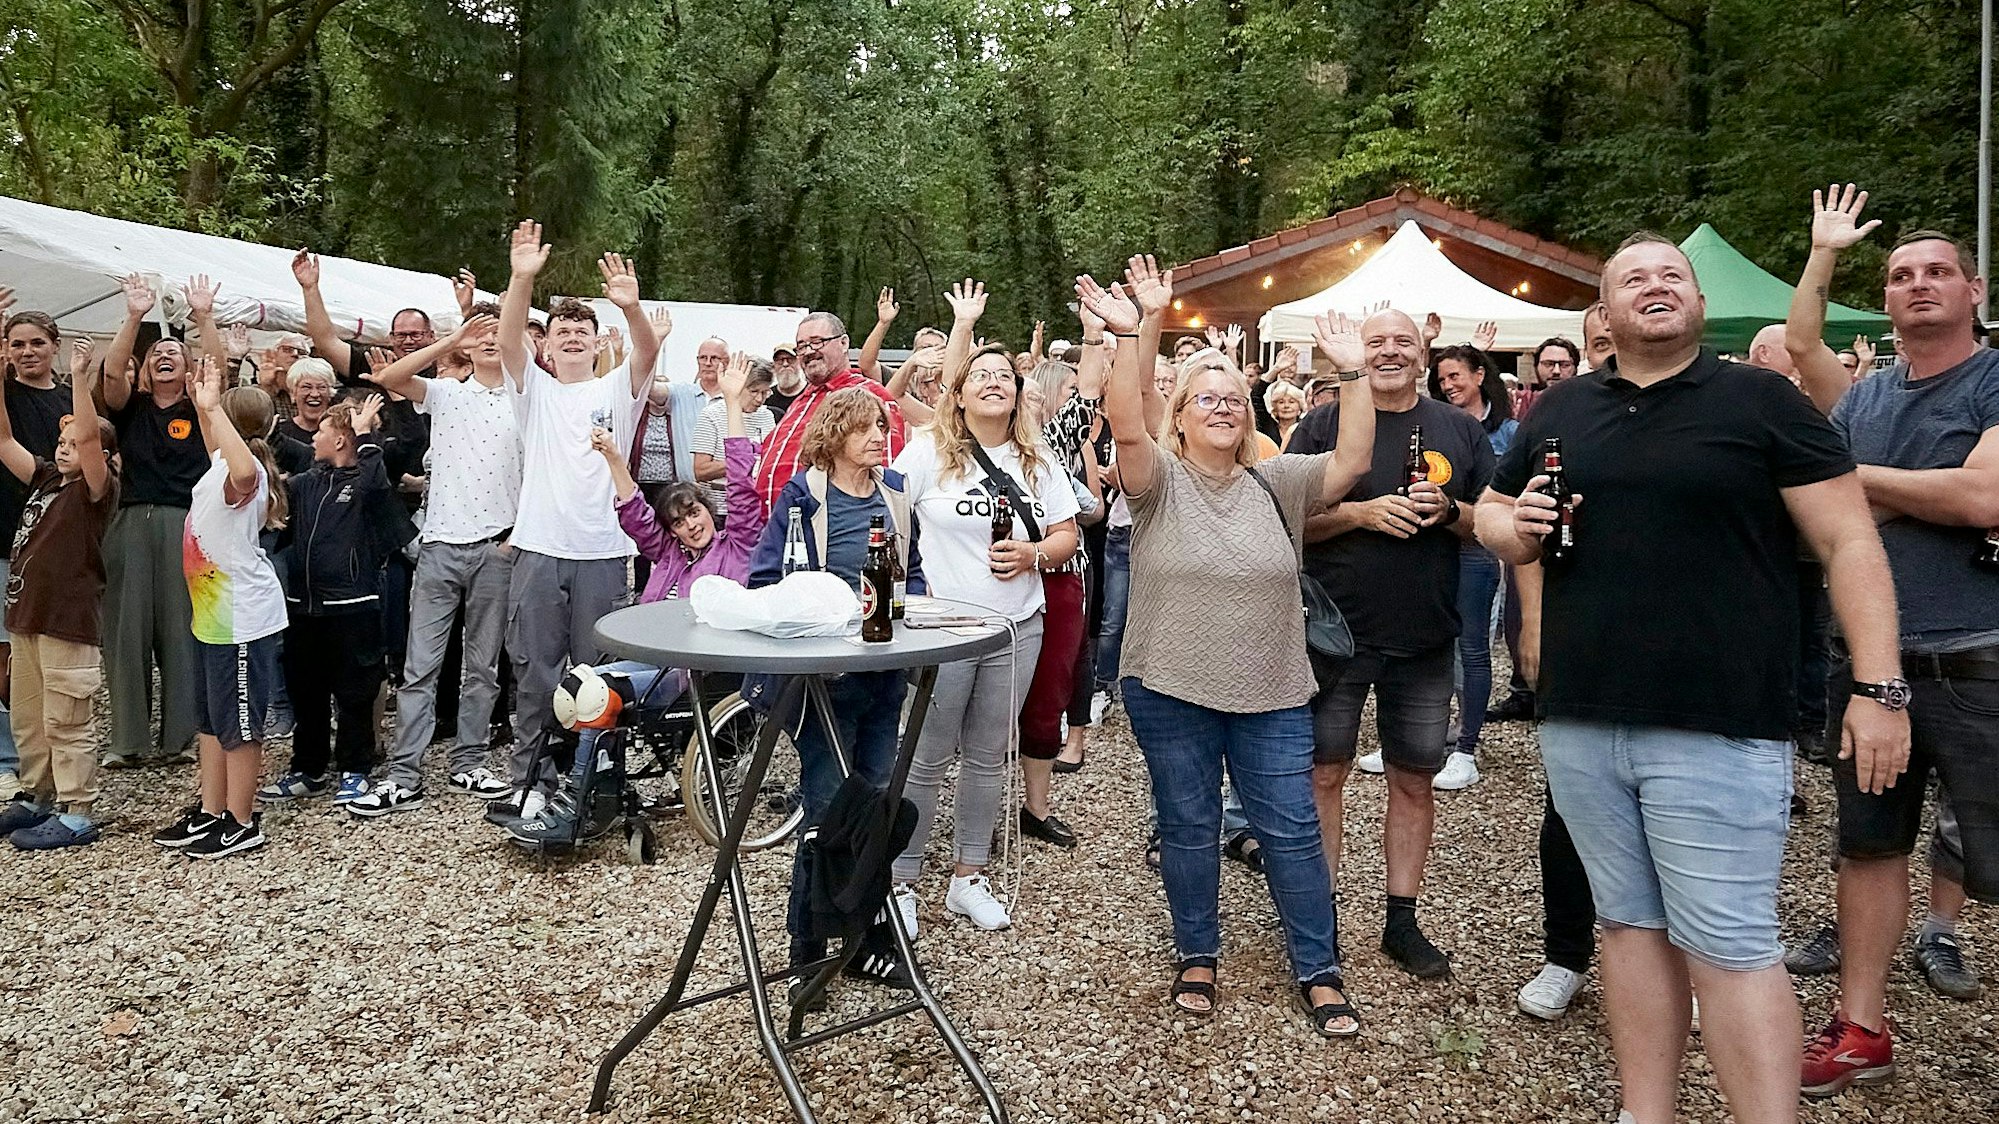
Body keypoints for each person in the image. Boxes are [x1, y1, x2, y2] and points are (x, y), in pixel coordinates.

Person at [1474, 232, 1906, 1124]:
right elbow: (1489, 505)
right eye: (1634, 278)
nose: (1656, 286)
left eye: (1673, 274)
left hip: (1719, 720)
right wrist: (1504, 528)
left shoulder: (1762, 403)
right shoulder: (1561, 410)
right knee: (1627, 928)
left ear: (1699, 304)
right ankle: (1647, 1112)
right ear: (1604, 312)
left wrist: (1878, 686)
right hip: (1581, 714)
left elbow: (1849, 540)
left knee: (1731, 945)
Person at [1078, 255, 1375, 1035]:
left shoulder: (1273, 482)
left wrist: (1351, 376)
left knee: (1291, 828)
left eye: (1233, 399)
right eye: (1204, 398)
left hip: (1273, 689)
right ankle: (1196, 954)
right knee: (1185, 824)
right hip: (1168, 685)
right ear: (1179, 415)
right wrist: (1138, 326)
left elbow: (1349, 464)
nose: (1221, 408)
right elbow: (1125, 421)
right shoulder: (1157, 483)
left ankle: (1318, 967)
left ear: (1249, 417)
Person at [1783, 199, 1999, 1095]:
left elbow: (1985, 499)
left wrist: (1849, 479)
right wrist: (1820, 255)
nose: (1917, 284)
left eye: (1936, 270)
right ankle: (1860, 1029)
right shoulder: (1864, 396)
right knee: (1868, 848)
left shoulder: (1992, 381)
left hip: (1978, 658)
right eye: (1902, 275)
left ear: (1973, 289)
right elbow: (1801, 351)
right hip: (1869, 667)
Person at [1289, 308, 1495, 981]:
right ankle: (1315, 922)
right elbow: (1286, 521)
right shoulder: (1323, 421)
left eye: (1401, 341)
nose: (1388, 351)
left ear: (1424, 350)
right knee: (1324, 775)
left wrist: (1451, 513)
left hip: (1425, 634)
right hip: (1334, 633)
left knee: (1413, 780)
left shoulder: (1458, 430)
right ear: (1358, 351)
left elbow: (1492, 521)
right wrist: (1357, 513)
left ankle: (1400, 921)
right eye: (1375, 341)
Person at [512, 353, 774, 845]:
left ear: (707, 511)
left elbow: (741, 487)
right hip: (647, 664)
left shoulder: (738, 547)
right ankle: (585, 792)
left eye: (694, 513)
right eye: (677, 521)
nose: (689, 525)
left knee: (592, 695)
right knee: (570, 692)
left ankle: (578, 805)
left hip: (694, 673)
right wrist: (613, 457)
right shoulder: (669, 556)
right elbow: (634, 514)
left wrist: (734, 406)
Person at [888, 279, 1080, 935]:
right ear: (959, 393)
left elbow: (1066, 532)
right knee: (924, 755)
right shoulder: (924, 455)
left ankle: (967, 876)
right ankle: (900, 880)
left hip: (1015, 628)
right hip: (941, 632)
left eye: (1005, 376)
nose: (995, 383)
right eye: (981, 376)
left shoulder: (1036, 459)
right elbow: (882, 521)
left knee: (987, 754)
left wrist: (1034, 556)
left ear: (1018, 392)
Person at [744, 386, 924, 992]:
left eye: (884, 425)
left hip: (883, 677)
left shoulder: (896, 496)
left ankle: (867, 935)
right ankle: (808, 948)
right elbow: (767, 581)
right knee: (825, 811)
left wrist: (913, 609)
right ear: (835, 435)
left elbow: (914, 574)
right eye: (867, 427)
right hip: (823, 684)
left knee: (876, 806)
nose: (881, 435)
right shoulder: (802, 498)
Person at [486, 223, 664, 818]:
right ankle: (530, 778)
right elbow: (509, 340)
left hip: (603, 553)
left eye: (579, 332)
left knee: (599, 677)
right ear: (548, 346)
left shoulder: (616, 391)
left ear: (595, 342)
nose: (569, 338)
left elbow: (645, 353)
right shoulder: (531, 391)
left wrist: (633, 308)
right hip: (538, 549)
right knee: (536, 675)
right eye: (560, 331)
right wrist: (520, 278)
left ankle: (594, 776)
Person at [345, 311, 521, 816]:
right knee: (420, 666)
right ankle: (405, 773)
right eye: (480, 334)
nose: (489, 341)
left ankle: (470, 759)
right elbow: (390, 378)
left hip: (495, 547)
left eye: (496, 333)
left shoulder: (525, 398)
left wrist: (513, 539)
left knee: (483, 667)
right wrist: (454, 339)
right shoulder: (447, 392)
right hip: (441, 544)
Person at [151, 361, 290, 859]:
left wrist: (210, 405)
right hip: (212, 617)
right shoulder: (218, 465)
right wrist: (204, 401)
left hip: (240, 619)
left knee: (240, 724)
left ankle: (242, 820)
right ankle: (211, 811)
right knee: (211, 720)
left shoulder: (244, 477)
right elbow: (220, 446)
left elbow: (244, 469)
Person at [99, 273, 226, 768]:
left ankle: (178, 738)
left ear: (189, 367)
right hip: (130, 524)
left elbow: (218, 368)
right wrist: (133, 315)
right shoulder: (131, 409)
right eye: (157, 354)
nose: (165, 356)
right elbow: (111, 376)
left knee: (181, 630)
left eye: (175, 352)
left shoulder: (201, 409)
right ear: (146, 369)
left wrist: (204, 316)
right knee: (126, 633)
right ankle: (126, 741)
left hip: (185, 523)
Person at [254, 395, 400, 808]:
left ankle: (355, 770)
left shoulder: (366, 479)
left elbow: (375, 486)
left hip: (355, 606)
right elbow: (273, 500)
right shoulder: (306, 482)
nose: (314, 437)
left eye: (321, 432)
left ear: (340, 441)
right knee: (307, 691)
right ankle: (308, 769)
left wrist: (367, 434)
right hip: (305, 607)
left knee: (355, 693)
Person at [0, 338, 118, 848]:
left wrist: (78, 378)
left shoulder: (96, 490)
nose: (64, 447)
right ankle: (37, 794)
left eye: (72, 443)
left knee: (66, 716)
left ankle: (78, 807)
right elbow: (3, 439)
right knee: (28, 716)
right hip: (28, 616)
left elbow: (91, 440)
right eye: (61, 441)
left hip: (67, 619)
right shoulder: (47, 479)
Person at [1014, 346, 1105, 848]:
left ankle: (1036, 806)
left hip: (1062, 575)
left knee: (1051, 688)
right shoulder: (961, 449)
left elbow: (1086, 399)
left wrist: (1094, 337)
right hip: (1002, 580)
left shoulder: (1047, 445)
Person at [1423, 344, 1517, 791]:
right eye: (1442, 379)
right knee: (1431, 645)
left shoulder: (1510, 432)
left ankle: (1467, 748)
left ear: (1481, 375)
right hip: (1433, 550)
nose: (1449, 385)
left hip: (1478, 551)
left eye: (1456, 375)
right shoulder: (1436, 428)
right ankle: (1425, 735)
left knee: (1472, 649)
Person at [0, 309, 76, 796]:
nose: (27, 352)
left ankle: (52, 761)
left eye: (35, 343)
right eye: (17, 344)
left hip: (56, 549)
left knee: (50, 662)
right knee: (6, 658)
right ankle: (9, 758)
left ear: (54, 345)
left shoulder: (71, 401)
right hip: (4, 538)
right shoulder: (5, 394)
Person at [751, 311, 908, 514]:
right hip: (774, 533)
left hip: (828, 533)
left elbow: (884, 473)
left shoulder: (869, 394)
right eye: (802, 346)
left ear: (844, 343)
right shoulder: (800, 402)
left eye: (817, 342)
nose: (808, 352)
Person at [690, 358, 777, 527]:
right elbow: (700, 470)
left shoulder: (767, 416)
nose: (760, 399)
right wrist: (743, 459)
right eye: (754, 391)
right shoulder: (711, 415)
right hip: (719, 511)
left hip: (756, 509)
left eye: (765, 392)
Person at [764, 345, 804, 418]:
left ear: (800, 362)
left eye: (790, 359)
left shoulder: (810, 394)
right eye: (780, 360)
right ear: (773, 366)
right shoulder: (766, 397)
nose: (785, 364)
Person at [1266, 381, 1307, 451]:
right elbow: (1257, 397)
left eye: (1291, 402)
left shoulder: (1306, 429)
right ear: (1275, 407)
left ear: (1300, 407)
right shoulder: (1267, 427)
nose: (1286, 406)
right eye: (1281, 402)